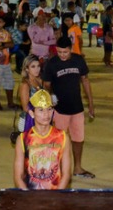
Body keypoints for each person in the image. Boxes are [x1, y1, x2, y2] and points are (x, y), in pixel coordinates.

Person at [41, 36, 95, 179]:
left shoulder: (78, 60)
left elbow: (85, 81)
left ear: (71, 49)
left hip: (77, 107)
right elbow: (46, 85)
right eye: (59, 52)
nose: (62, 55)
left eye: (65, 52)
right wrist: (49, 98)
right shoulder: (51, 64)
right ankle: (57, 169)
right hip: (60, 110)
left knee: (78, 139)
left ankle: (77, 168)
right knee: (58, 141)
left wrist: (91, 103)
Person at [13, 89, 72, 190]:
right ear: (32, 113)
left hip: (56, 196)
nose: (46, 114)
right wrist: (28, 197)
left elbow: (66, 174)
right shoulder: (23, 139)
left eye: (49, 109)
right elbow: (18, 176)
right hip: (31, 196)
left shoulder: (62, 137)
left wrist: (56, 197)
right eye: (41, 110)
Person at [0, 15, 18, 111]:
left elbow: (11, 44)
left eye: (0, 22)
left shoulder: (6, 33)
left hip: (6, 62)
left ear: (4, 23)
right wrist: (6, 44)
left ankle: (10, 102)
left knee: (9, 82)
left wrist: (3, 44)